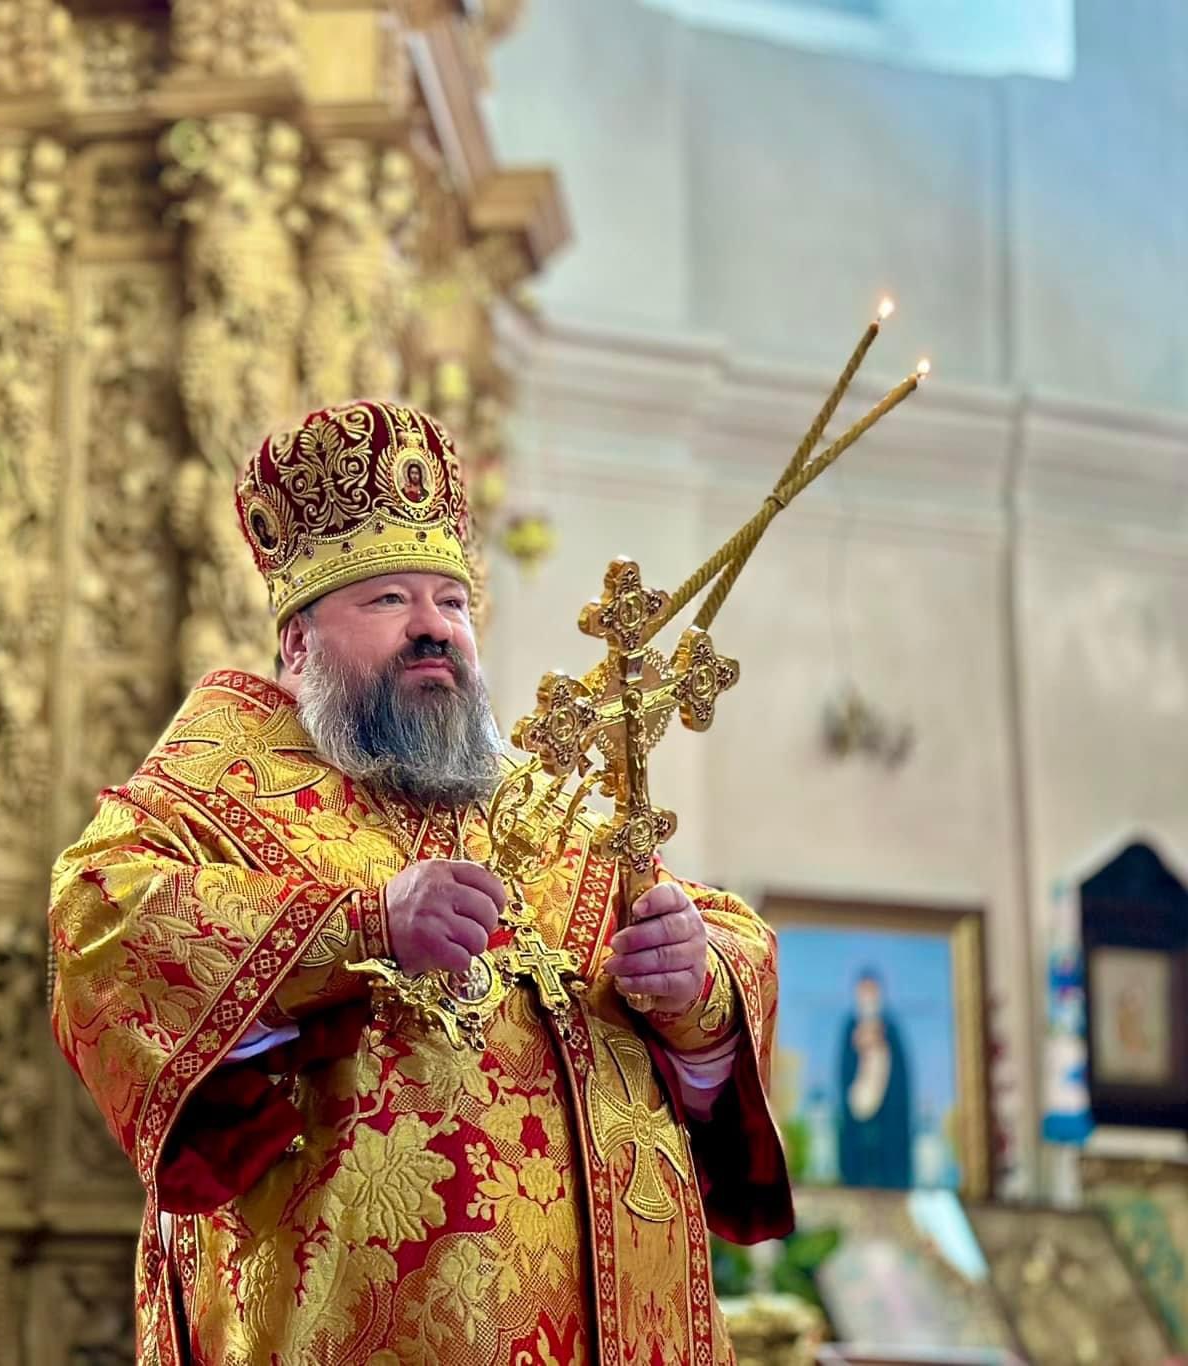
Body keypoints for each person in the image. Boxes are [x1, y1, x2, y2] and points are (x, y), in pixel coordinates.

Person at [48, 400, 791, 1366]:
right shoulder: (218, 787)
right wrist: (360, 926)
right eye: (389, 600)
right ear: (299, 643)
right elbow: (98, 920)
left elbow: (723, 940)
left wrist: (697, 980)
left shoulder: (535, 803)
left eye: (452, 601)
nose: (433, 628)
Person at [837, 967, 913, 1188]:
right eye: (864, 991)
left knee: (887, 1153)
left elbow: (900, 1074)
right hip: (858, 1107)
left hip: (887, 1112)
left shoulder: (891, 1028)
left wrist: (879, 1045)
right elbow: (844, 1069)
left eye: (872, 991)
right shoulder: (850, 1027)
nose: (868, 997)